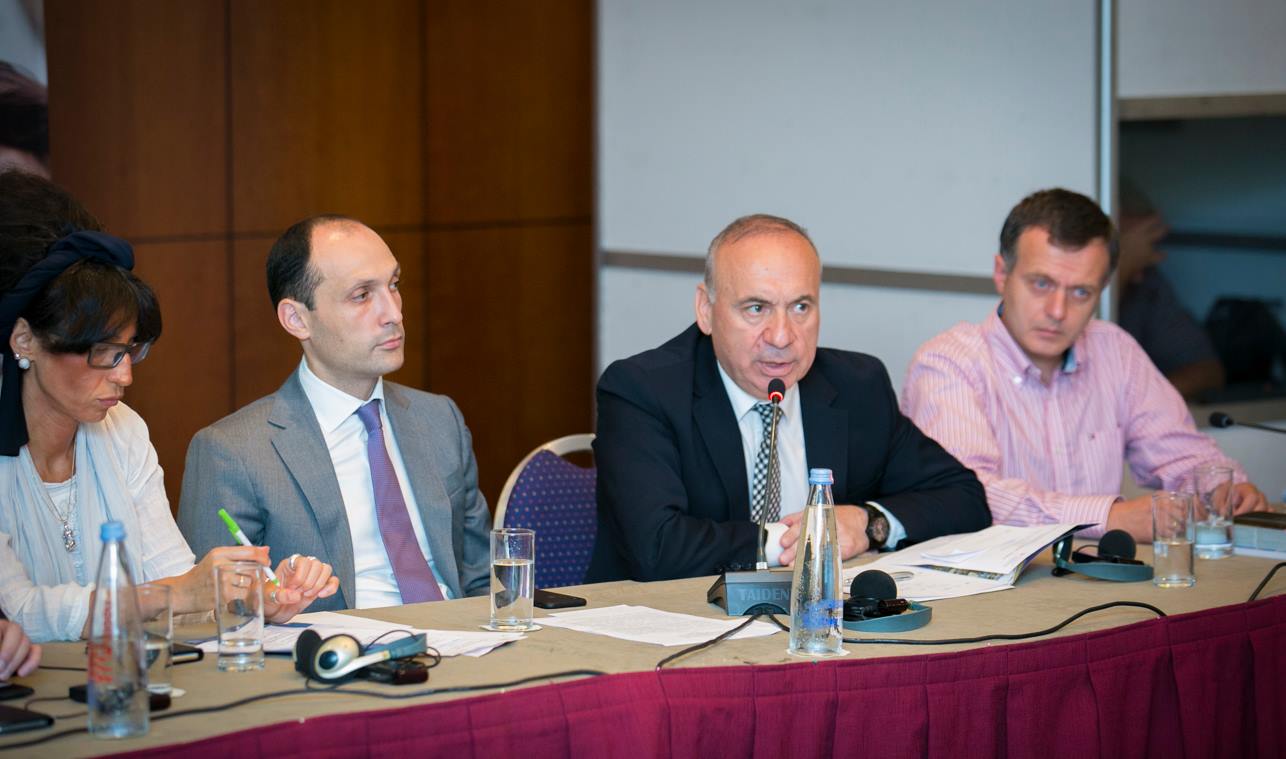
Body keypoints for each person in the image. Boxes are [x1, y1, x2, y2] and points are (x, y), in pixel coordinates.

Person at [0, 171, 338, 642]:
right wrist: (178, 593)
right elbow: (18, 609)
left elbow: (174, 579)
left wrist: (250, 599)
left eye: (129, 350)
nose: (124, 375)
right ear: (24, 340)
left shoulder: (123, 430)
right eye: (102, 353)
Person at [588, 214, 990, 583]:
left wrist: (868, 524)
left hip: (819, 624)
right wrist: (799, 539)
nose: (781, 337)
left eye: (800, 307)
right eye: (756, 308)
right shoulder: (643, 391)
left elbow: (964, 498)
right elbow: (656, 548)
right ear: (706, 310)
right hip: (669, 622)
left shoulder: (857, 386)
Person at [901, 188, 1269, 542]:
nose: (1058, 311)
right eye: (1041, 284)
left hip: (1100, 576)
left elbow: (1181, 454)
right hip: (991, 581)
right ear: (1001, 273)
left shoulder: (1115, 351)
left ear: (1102, 289)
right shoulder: (948, 363)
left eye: (1080, 292)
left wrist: (1222, 488)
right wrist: (1105, 518)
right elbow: (968, 496)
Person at [177, 215, 490, 610]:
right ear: (297, 319)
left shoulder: (439, 419)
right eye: (362, 295)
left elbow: (482, 579)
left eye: (394, 285)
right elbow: (214, 611)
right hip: (341, 644)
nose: (394, 314)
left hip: (460, 637)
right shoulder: (233, 451)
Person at [1115, 181, 1224, 400]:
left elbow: (1208, 371)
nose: (1139, 273)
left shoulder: (1147, 283)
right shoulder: (1064, 287)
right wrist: (1120, 269)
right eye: (1131, 244)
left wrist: (1146, 401)